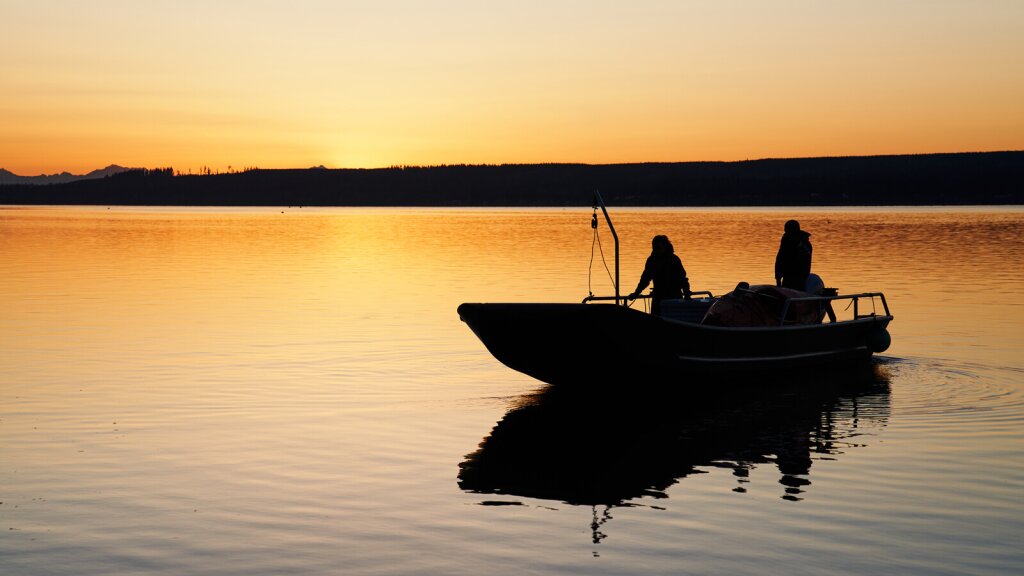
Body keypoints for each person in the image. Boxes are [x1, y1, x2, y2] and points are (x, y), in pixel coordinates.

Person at [628, 235, 691, 315]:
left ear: (665, 246)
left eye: (658, 247)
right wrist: (636, 293)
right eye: (654, 246)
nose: (655, 249)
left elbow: (682, 279)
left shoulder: (674, 259)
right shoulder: (652, 260)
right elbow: (645, 278)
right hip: (658, 298)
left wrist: (687, 294)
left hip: (673, 298)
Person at [775, 219, 812, 291]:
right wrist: (778, 278)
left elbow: (804, 263)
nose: (785, 231)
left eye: (787, 229)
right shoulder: (786, 240)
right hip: (788, 277)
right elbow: (780, 259)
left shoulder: (803, 244)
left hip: (798, 278)